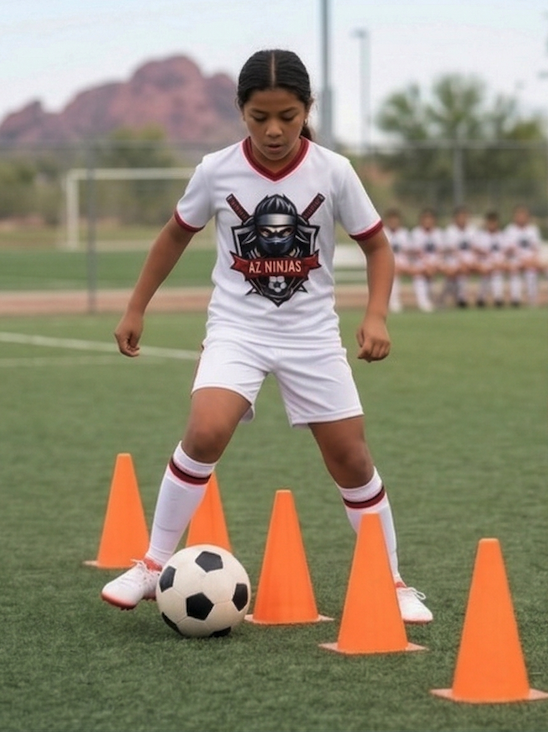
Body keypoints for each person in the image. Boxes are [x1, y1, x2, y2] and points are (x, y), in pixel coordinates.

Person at [100, 49, 432, 624]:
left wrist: (376, 315)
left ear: (307, 109)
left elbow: (377, 245)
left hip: (312, 337)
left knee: (350, 458)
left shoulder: (334, 171)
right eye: (259, 117)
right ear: (240, 111)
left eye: (288, 116)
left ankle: (391, 578)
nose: (274, 130)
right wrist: (136, 307)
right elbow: (173, 237)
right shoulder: (215, 170)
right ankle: (154, 565)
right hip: (237, 329)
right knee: (205, 431)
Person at [503, 204, 544, 306]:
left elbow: (536, 248)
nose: (521, 218)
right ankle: (515, 299)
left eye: (523, 215)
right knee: (514, 271)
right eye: (519, 215)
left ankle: (532, 300)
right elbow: (507, 250)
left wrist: (531, 260)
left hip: (530, 260)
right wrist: (521, 260)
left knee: (531, 272)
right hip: (515, 260)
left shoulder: (533, 230)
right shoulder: (509, 230)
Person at [442, 205, 480, 308]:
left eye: (465, 217)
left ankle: (480, 298)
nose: (462, 219)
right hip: (454, 260)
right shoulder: (450, 231)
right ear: (455, 218)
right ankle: (460, 298)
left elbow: (476, 249)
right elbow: (451, 251)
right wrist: (463, 263)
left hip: (470, 260)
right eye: (460, 217)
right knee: (457, 271)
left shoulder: (473, 230)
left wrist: (472, 262)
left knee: (489, 270)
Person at [409, 208, 443, 312]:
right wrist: (427, 265)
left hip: (436, 264)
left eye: (430, 219)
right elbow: (417, 253)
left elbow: (440, 252)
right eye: (425, 219)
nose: (428, 222)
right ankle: (423, 302)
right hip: (421, 264)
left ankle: (442, 300)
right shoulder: (416, 233)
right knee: (419, 274)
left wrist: (434, 265)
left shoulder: (438, 233)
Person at [383, 208, 411, 313]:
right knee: (392, 273)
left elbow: (409, 251)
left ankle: (427, 301)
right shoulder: (383, 232)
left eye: (395, 220)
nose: (393, 223)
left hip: (405, 263)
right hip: (389, 264)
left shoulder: (404, 233)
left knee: (421, 273)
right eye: (391, 220)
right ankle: (394, 302)